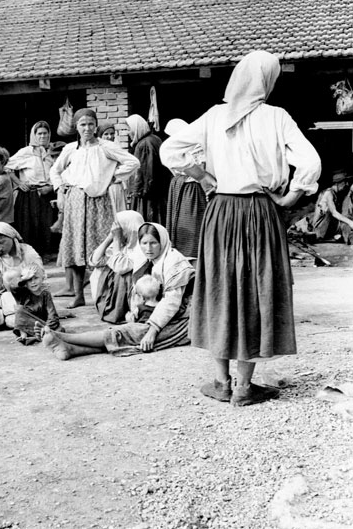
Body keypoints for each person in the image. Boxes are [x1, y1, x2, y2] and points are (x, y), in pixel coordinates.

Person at [160, 50, 322, 406]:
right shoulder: (277, 117)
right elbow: (311, 162)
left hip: (220, 211)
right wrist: (290, 197)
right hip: (259, 211)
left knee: (220, 286)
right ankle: (244, 388)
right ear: (267, 80)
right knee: (253, 288)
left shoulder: (216, 116)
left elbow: (171, 150)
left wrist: (202, 176)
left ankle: (222, 382)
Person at [42, 223, 194, 359]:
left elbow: (171, 302)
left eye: (153, 243)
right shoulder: (151, 260)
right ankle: (70, 349)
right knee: (130, 333)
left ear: (163, 241)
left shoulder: (173, 262)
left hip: (184, 319)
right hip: (164, 316)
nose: (148, 248)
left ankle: (63, 337)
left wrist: (152, 331)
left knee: (130, 333)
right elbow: (96, 260)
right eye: (144, 243)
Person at [50, 108, 140, 309]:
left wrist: (113, 177)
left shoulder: (106, 147)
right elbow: (55, 170)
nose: (87, 128)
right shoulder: (71, 149)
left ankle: (108, 293)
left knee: (103, 244)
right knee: (75, 246)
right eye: (82, 124)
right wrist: (60, 187)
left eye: (91, 124)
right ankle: (78, 294)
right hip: (75, 201)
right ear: (76, 127)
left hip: (99, 202)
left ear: (96, 126)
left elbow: (133, 162)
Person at [6, 121, 56, 258]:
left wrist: (51, 187)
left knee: (46, 224)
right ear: (34, 135)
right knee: (30, 225)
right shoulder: (26, 152)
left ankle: (45, 255)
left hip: (47, 192)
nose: (42, 136)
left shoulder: (51, 151)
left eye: (45, 133)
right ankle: (30, 257)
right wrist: (19, 183)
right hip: (30, 194)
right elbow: (7, 166)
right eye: (39, 133)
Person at [89, 210, 145, 324]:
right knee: (100, 269)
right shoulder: (122, 245)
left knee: (122, 273)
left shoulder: (142, 246)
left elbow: (120, 267)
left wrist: (116, 240)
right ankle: (108, 307)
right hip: (119, 290)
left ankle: (118, 311)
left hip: (133, 293)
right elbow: (95, 261)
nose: (117, 233)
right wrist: (110, 237)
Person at [164, 118, 207, 260]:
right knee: (178, 224)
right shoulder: (174, 148)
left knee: (191, 223)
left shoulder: (197, 148)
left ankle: (192, 254)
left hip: (192, 190)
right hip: (180, 188)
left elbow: (200, 170)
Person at [126, 114, 170, 224]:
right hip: (158, 194)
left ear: (137, 128)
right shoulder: (154, 139)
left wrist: (136, 194)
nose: (128, 132)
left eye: (129, 129)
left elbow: (146, 175)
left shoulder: (144, 144)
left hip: (148, 197)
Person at [3, 264, 61, 345]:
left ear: (43, 278)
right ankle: (25, 334)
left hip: (43, 324)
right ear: (25, 282)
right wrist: (23, 278)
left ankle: (38, 335)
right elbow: (13, 287)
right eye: (29, 280)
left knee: (58, 329)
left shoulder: (45, 294)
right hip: (28, 325)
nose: (33, 282)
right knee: (19, 310)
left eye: (36, 278)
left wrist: (47, 327)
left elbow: (52, 315)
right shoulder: (22, 293)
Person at [310, 169, 353, 241]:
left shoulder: (335, 194)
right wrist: (350, 222)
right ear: (338, 183)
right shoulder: (328, 193)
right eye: (345, 182)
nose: (347, 184)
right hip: (320, 228)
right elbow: (334, 213)